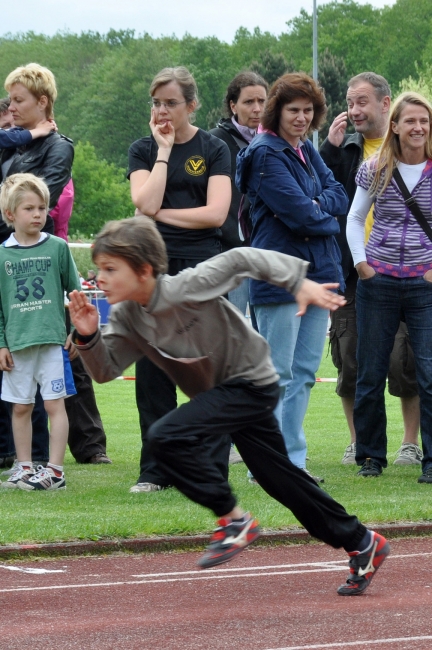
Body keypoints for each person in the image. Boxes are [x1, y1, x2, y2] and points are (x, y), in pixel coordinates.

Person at [69, 215, 390, 596]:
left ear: (143, 269)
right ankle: (362, 541)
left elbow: (241, 259)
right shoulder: (126, 316)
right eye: (98, 269)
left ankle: (233, 519)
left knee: (165, 436)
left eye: (109, 268)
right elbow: (106, 370)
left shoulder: (189, 285)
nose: (99, 278)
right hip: (223, 396)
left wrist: (297, 281)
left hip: (251, 381)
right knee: (281, 480)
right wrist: (87, 336)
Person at [236, 72, 347, 481]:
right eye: (293, 110)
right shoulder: (265, 153)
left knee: (303, 374)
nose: (301, 118)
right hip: (279, 278)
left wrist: (318, 209)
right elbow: (304, 214)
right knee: (277, 374)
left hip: (321, 273)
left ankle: (293, 463)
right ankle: (266, 464)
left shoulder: (306, 149)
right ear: (276, 111)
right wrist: (321, 211)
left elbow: (339, 195)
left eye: (308, 110)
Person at [127, 66, 232, 493]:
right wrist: (164, 150)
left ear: (192, 104)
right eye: (156, 102)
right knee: (153, 370)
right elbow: (143, 199)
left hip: (203, 266)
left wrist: (159, 214)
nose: (162, 110)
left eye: (171, 102)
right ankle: (156, 470)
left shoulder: (215, 148)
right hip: (153, 265)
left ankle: (209, 468)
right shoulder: (141, 149)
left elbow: (215, 214)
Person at [320, 72, 421, 467]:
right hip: (350, 273)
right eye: (349, 102)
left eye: (362, 101)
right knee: (349, 358)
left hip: (406, 272)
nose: (353, 110)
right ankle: (357, 441)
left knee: (405, 359)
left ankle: (410, 443)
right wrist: (328, 149)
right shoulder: (343, 151)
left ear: (385, 104)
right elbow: (323, 197)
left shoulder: (413, 148)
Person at [346, 91, 432, 483]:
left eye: (424, 121)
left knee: (429, 372)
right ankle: (370, 457)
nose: (418, 128)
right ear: (394, 125)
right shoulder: (374, 167)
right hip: (377, 281)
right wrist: (362, 265)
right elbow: (354, 218)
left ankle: (430, 461)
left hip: (424, 283)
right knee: (371, 371)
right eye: (410, 121)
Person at [0, 173, 80, 490]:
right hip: (17, 344)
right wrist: (1, 344)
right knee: (20, 407)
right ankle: (24, 467)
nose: (37, 215)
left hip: (52, 343)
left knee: (53, 404)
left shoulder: (58, 248)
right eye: (29, 208)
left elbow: (75, 294)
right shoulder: (2, 255)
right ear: (10, 215)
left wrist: (75, 334)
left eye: (42, 208)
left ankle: (55, 471)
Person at [209, 71, 268, 468]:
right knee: (230, 351)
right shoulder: (216, 145)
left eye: (262, 101)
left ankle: (264, 439)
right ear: (233, 105)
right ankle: (227, 440)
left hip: (266, 257)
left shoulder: (275, 142)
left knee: (265, 353)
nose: (257, 109)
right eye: (249, 101)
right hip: (230, 257)